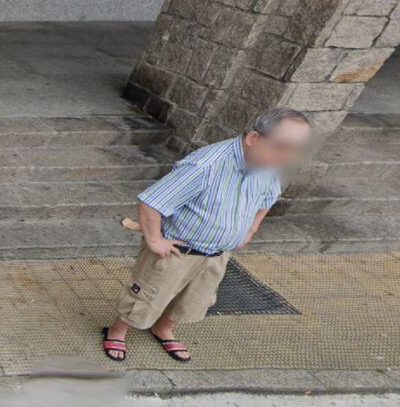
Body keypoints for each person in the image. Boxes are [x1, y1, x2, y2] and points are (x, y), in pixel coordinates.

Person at [101, 108, 312, 362]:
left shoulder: (268, 166)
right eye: (281, 146)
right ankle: (117, 331)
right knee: (148, 296)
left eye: (295, 149)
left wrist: (251, 228)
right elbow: (151, 202)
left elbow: (268, 198)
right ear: (254, 138)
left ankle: (163, 328)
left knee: (194, 299)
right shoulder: (205, 165)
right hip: (179, 249)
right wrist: (155, 240)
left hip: (218, 253)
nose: (286, 156)